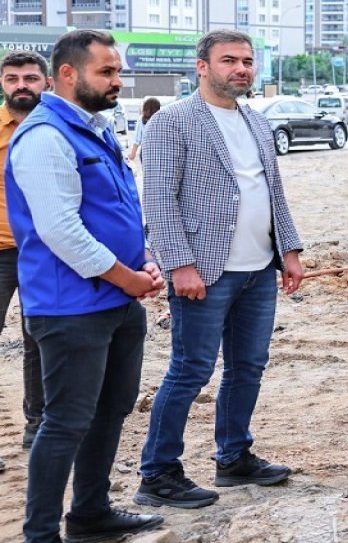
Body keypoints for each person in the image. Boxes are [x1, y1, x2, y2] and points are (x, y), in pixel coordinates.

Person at [7, 29, 166, 542]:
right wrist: (130, 279)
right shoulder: (45, 136)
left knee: (112, 408)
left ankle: (91, 514)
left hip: (117, 299)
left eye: (118, 71)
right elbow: (60, 230)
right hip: (71, 306)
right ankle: (40, 534)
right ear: (70, 74)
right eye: (107, 72)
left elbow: (117, 206)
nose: (118, 81)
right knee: (66, 420)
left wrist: (144, 264)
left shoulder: (95, 128)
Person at [136, 29, 306, 508]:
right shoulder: (172, 123)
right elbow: (160, 203)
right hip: (205, 274)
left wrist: (289, 251)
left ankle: (234, 458)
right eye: (229, 60)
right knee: (190, 370)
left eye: (247, 61)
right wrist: (180, 266)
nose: (241, 69)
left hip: (258, 270)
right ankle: (157, 474)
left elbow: (274, 193)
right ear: (202, 67)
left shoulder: (256, 121)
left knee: (248, 367)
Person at [0, 51, 51, 469]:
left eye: (30, 78)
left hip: (45, 252)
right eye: (13, 78)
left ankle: (38, 423)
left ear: (47, 82)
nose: (22, 85)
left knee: (40, 340)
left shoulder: (58, 127)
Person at [127, 96, 162, 164]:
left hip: (146, 152)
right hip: (160, 151)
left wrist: (132, 155)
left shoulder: (142, 120)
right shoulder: (162, 119)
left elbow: (137, 140)